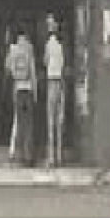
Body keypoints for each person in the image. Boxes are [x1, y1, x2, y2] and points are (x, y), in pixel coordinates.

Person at [6, 26, 38, 166]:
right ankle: (29, 156)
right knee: (29, 124)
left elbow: (9, 69)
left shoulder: (14, 51)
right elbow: (33, 72)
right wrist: (35, 92)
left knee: (19, 124)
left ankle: (19, 157)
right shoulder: (29, 49)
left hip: (18, 89)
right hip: (29, 90)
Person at [44, 19, 66, 167]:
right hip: (61, 82)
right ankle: (59, 155)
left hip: (51, 81)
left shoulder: (48, 45)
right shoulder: (61, 46)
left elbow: (45, 62)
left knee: (51, 120)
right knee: (60, 119)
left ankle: (51, 157)